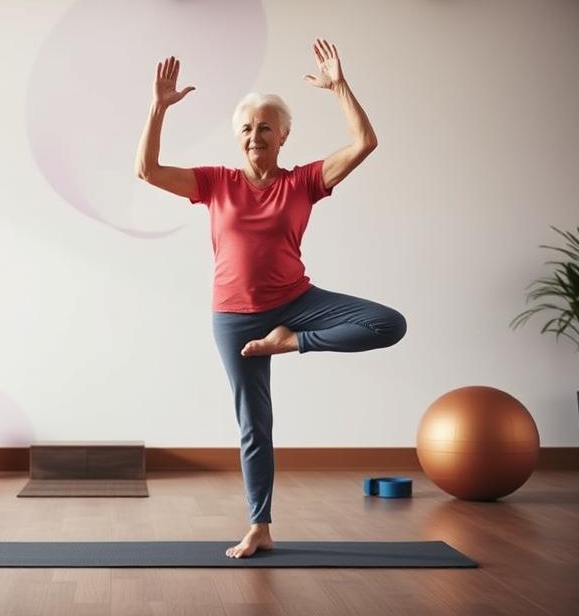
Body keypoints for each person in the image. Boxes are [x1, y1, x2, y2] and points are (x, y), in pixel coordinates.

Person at [134, 39, 407, 559]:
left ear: (283, 135)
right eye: (246, 128)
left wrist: (339, 87)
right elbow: (147, 170)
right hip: (235, 317)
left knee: (388, 323)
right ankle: (259, 526)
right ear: (237, 139)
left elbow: (364, 142)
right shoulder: (215, 183)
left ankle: (291, 342)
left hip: (297, 304)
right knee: (254, 424)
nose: (255, 135)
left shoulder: (304, 182)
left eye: (265, 127)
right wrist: (158, 107)